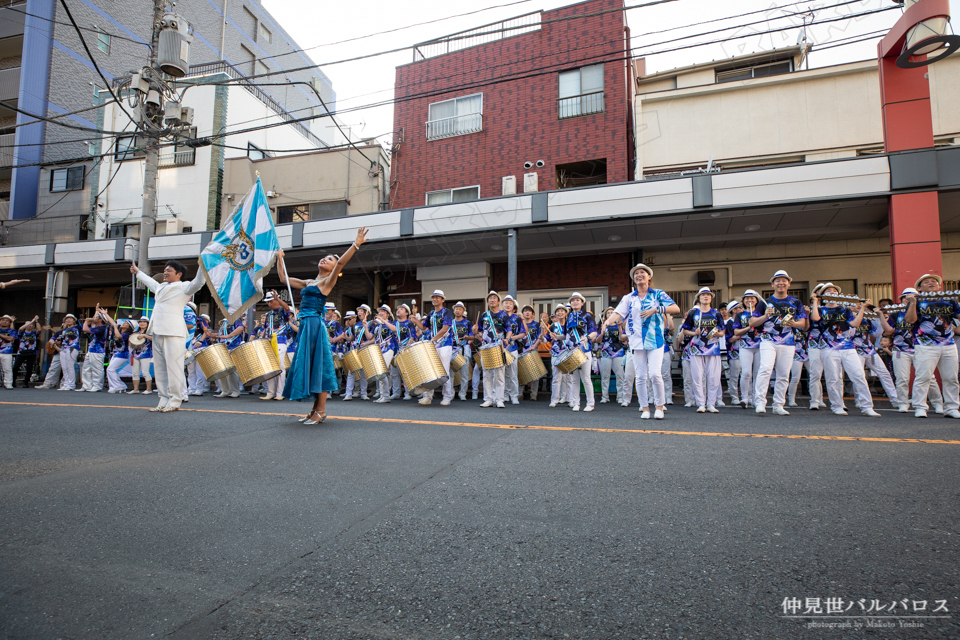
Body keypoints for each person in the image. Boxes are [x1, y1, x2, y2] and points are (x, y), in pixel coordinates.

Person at [278, 226, 369, 424]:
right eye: (324, 258)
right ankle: (314, 409)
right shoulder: (309, 281)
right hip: (305, 325)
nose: (324, 260)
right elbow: (283, 279)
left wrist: (356, 244)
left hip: (314, 325)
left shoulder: (327, 281)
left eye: (329, 259)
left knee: (318, 365)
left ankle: (321, 410)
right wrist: (279, 257)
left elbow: (342, 263)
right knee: (310, 364)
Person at [602, 263, 680, 419]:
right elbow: (618, 312)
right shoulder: (629, 298)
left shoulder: (657, 294)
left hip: (655, 340)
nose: (639, 275)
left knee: (655, 374)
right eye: (636, 273)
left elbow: (675, 308)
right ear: (633, 279)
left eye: (642, 272)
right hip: (636, 341)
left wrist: (656, 309)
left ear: (649, 276)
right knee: (641, 376)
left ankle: (659, 406)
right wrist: (607, 322)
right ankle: (645, 408)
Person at [130, 259, 207, 412]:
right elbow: (150, 282)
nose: (165, 272)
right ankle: (163, 398)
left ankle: (175, 400)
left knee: (174, 367)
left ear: (179, 274)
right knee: (160, 368)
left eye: (169, 271)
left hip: (174, 332)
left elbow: (198, 282)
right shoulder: (161, 287)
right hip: (157, 331)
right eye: (165, 270)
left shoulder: (184, 287)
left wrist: (203, 265)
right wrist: (138, 272)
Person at [809, 284, 881, 417]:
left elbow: (854, 324)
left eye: (835, 291)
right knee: (833, 378)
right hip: (827, 347)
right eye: (828, 291)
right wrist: (815, 301)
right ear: (824, 295)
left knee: (858, 375)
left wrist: (863, 308)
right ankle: (837, 405)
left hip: (847, 346)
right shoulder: (820, 309)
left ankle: (867, 406)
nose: (832, 292)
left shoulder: (845, 309)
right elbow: (815, 318)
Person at [748, 270, 808, 416]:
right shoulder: (765, 303)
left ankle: (778, 405)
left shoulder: (796, 302)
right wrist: (765, 315)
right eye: (777, 280)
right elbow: (752, 322)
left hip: (788, 341)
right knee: (766, 368)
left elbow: (804, 323)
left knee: (783, 373)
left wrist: (794, 323)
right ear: (772, 284)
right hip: (768, 340)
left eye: (784, 280)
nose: (781, 283)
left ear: (789, 283)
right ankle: (760, 402)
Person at [905, 273, 960, 418]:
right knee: (923, 377)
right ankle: (920, 407)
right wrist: (912, 303)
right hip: (925, 344)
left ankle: (952, 408)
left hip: (948, 343)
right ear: (919, 287)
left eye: (934, 281)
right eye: (926, 282)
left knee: (951, 377)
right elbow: (910, 320)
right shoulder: (916, 301)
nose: (931, 283)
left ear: (939, 285)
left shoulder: (949, 300)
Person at [885, 287, 942, 413]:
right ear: (901, 299)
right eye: (905, 297)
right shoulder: (895, 314)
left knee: (929, 378)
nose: (908, 299)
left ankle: (938, 403)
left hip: (920, 348)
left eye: (913, 297)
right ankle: (903, 403)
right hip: (901, 349)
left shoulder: (923, 311)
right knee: (902, 378)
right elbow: (887, 331)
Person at [680, 287, 725, 413]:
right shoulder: (693, 313)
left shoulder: (716, 314)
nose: (706, 297)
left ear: (711, 298)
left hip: (713, 348)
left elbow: (722, 332)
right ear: (699, 298)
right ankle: (701, 403)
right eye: (703, 295)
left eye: (708, 295)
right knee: (697, 376)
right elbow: (685, 330)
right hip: (696, 348)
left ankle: (711, 403)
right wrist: (694, 332)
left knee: (713, 377)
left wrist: (716, 333)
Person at [411, 290, 455, 406]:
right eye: (433, 297)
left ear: (442, 300)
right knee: (430, 370)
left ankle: (447, 397)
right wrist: (416, 321)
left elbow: (445, 328)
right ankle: (428, 397)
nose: (435, 299)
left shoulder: (447, 312)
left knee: (444, 371)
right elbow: (424, 328)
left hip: (445, 344)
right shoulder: (431, 313)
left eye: (437, 297)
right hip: (433, 344)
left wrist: (433, 339)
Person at [853, 305, 898, 407]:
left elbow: (877, 334)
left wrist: (880, 319)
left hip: (869, 350)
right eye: (857, 306)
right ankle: (859, 400)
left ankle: (895, 399)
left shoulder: (866, 320)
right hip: (855, 351)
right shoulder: (849, 318)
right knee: (859, 375)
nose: (860, 308)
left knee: (884, 373)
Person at [565, 292, 597, 412]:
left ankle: (590, 403)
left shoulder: (587, 316)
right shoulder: (568, 317)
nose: (575, 302)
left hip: (584, 350)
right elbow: (566, 335)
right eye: (573, 300)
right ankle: (576, 403)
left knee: (586, 378)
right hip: (572, 352)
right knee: (574, 379)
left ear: (582, 302)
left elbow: (594, 332)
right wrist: (557, 337)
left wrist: (587, 338)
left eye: (577, 300)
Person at [477, 291, 509, 408]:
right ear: (487, 302)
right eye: (490, 298)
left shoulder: (503, 315)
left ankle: (499, 399)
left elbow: (509, 330)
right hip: (486, 348)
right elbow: (479, 331)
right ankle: (488, 399)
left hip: (499, 346)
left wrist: (508, 338)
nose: (492, 300)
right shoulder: (483, 315)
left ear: (498, 302)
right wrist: (478, 333)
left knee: (500, 374)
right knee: (486, 374)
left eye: (494, 298)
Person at [261, 291, 293, 401]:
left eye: (271, 301)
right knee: (270, 367)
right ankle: (270, 392)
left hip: (280, 341)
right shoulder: (268, 314)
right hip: (269, 341)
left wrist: (279, 299)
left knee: (280, 367)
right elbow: (265, 328)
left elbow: (287, 309)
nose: (269, 304)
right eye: (268, 302)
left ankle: (280, 393)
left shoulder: (282, 311)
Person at [733, 291, 762, 409]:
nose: (749, 300)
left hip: (760, 346)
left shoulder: (761, 313)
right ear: (743, 300)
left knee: (757, 373)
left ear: (756, 300)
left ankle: (756, 398)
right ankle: (745, 398)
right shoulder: (740, 315)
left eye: (752, 298)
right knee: (746, 373)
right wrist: (749, 327)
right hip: (745, 346)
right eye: (747, 298)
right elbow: (736, 332)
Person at [366, 304, 399, 404]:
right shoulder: (377, 326)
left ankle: (386, 396)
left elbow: (394, 330)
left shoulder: (391, 323)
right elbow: (369, 337)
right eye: (380, 311)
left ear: (388, 314)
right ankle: (383, 395)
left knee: (382, 371)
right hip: (379, 350)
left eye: (383, 312)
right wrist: (365, 327)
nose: (380, 313)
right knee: (380, 372)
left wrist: (384, 321)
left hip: (389, 348)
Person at [207, 318, 245, 398]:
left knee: (232, 371)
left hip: (233, 346)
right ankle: (225, 390)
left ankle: (235, 390)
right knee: (222, 370)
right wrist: (211, 335)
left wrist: (229, 336)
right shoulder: (224, 322)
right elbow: (221, 335)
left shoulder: (236, 319)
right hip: (223, 348)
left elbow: (240, 328)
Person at [595, 307, 626, 405]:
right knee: (605, 376)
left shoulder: (619, 325)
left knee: (620, 375)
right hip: (605, 353)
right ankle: (605, 396)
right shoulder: (602, 326)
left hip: (618, 352)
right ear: (605, 316)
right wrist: (602, 332)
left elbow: (623, 340)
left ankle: (620, 396)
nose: (610, 314)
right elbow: (597, 340)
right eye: (608, 313)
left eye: (612, 313)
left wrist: (620, 327)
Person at [805, 284, 827, 410]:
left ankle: (824, 398)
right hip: (814, 342)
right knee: (815, 373)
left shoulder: (833, 308)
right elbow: (806, 326)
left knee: (834, 374)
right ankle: (815, 400)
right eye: (819, 291)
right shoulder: (809, 308)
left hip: (830, 343)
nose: (820, 294)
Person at [343, 305, 370, 401]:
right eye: (358, 311)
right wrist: (346, 337)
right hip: (355, 349)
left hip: (365, 350)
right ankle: (348, 394)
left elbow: (371, 337)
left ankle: (363, 393)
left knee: (363, 373)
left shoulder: (371, 324)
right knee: (352, 372)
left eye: (362, 311)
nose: (359, 313)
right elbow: (353, 337)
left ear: (367, 313)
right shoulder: (356, 325)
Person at [80, 306, 110, 392]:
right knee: (86, 368)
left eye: (97, 318)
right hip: (92, 349)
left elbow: (85, 329)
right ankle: (87, 385)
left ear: (100, 320)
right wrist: (96, 310)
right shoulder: (98, 327)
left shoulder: (101, 328)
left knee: (97, 369)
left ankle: (97, 385)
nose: (94, 318)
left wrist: (86, 321)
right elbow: (93, 320)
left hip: (98, 351)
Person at [500, 295, 523, 405]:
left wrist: (513, 337)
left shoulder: (517, 318)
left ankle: (514, 395)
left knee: (513, 373)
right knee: (502, 374)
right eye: (506, 303)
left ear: (513, 306)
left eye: (510, 303)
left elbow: (523, 333)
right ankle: (504, 395)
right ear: (502, 305)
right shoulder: (498, 316)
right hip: (500, 349)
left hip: (513, 348)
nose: (508, 305)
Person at [546, 307, 572, 407]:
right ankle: (554, 399)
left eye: (562, 311)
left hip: (568, 353)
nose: (560, 313)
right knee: (556, 377)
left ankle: (570, 399)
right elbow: (546, 339)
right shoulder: (553, 326)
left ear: (566, 313)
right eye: (558, 311)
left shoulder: (569, 325)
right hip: (556, 353)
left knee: (569, 377)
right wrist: (542, 338)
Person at [518, 304, 542, 402]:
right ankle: (519, 394)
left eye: (529, 311)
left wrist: (534, 346)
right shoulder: (519, 324)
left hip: (533, 350)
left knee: (535, 375)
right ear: (522, 313)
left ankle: (533, 395)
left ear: (532, 314)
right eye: (525, 311)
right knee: (521, 373)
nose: (527, 312)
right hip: (521, 350)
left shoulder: (536, 324)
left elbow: (540, 337)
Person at [452, 302, 474, 402]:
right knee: (451, 372)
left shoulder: (467, 323)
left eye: (460, 309)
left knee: (464, 373)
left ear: (463, 311)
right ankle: (450, 393)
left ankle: (463, 393)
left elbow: (472, 337)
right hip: (452, 349)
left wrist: (467, 337)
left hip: (464, 349)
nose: (458, 310)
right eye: (456, 309)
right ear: (454, 310)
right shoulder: (450, 323)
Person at [106, 319, 134, 393]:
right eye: (124, 322)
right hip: (116, 353)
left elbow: (118, 336)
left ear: (129, 327)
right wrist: (105, 314)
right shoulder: (118, 328)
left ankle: (117, 386)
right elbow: (112, 322)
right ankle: (119, 386)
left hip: (123, 355)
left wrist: (115, 328)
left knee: (110, 369)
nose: (124, 323)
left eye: (126, 323)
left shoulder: (127, 334)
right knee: (111, 370)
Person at [11, 316, 39, 388]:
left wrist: (36, 321)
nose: (30, 325)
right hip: (21, 352)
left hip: (31, 352)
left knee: (29, 369)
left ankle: (25, 382)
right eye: (28, 324)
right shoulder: (21, 332)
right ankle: (13, 382)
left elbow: (39, 329)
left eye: (31, 325)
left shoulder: (34, 333)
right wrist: (31, 321)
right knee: (15, 367)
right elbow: (20, 328)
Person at [128, 317, 154, 395]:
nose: (142, 323)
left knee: (145, 372)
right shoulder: (135, 332)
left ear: (147, 324)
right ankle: (135, 389)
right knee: (135, 372)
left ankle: (148, 389)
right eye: (140, 322)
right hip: (135, 354)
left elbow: (154, 339)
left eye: (144, 322)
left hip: (146, 354)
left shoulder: (150, 332)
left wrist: (144, 336)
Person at [722, 302, 742, 406]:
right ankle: (734, 397)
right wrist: (743, 332)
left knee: (747, 375)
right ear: (734, 310)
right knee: (735, 376)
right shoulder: (730, 323)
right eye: (740, 308)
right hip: (734, 353)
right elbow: (729, 339)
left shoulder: (744, 321)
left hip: (746, 350)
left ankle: (747, 397)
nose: (742, 309)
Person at [57, 314, 81, 391]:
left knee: (70, 366)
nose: (69, 320)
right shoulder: (63, 331)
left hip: (72, 348)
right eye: (67, 319)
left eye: (71, 319)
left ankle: (71, 384)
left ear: (74, 320)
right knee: (64, 367)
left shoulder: (77, 327)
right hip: (63, 348)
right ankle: (66, 384)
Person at [0, 314, 17, 389]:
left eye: (7, 321)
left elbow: (10, 339)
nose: (4, 322)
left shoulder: (12, 330)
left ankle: (8, 383)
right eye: (3, 320)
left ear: (9, 323)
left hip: (7, 352)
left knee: (7, 369)